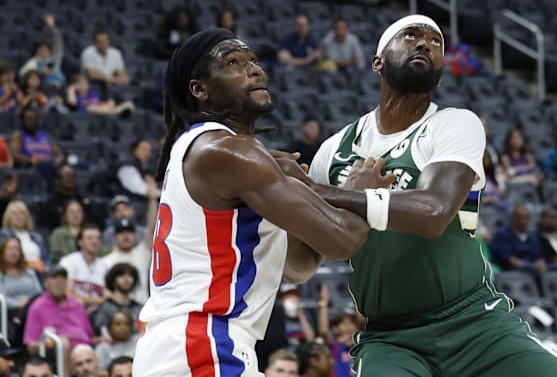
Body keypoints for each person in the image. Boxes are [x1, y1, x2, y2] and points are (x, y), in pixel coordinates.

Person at [306, 14, 557, 376]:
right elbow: (307, 255)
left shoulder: (453, 124)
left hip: (476, 324)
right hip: (391, 337)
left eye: (436, 42)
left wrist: (336, 196)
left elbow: (434, 212)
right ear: (378, 61)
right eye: (410, 36)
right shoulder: (333, 151)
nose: (425, 44)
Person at [132, 28, 376, 376]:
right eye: (233, 62)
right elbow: (344, 240)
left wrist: (296, 189)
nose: (254, 69)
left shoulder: (211, 151)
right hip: (204, 342)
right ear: (199, 89)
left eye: (254, 60)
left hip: (191, 344)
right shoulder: (226, 151)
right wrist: (358, 192)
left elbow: (298, 266)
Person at [23, 266, 93, 377]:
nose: (59, 282)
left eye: (62, 279)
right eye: (54, 278)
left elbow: (90, 336)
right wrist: (54, 342)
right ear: (45, 283)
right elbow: (31, 346)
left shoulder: (77, 305)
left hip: (84, 350)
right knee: (64, 344)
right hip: (57, 351)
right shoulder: (37, 307)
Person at [58, 223, 108, 311]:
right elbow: (68, 294)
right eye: (89, 238)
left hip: (97, 312)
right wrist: (97, 301)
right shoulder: (68, 261)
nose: (94, 241)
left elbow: (108, 296)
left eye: (98, 238)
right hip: (71, 310)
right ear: (80, 242)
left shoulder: (104, 265)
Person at [489, 204, 546, 273]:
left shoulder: (532, 236)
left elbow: (538, 256)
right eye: (519, 217)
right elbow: (509, 260)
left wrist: (541, 263)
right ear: (512, 218)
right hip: (510, 272)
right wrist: (531, 267)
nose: (522, 221)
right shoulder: (502, 235)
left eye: (525, 218)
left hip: (533, 271)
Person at [92, 262, 142, 336]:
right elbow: (101, 333)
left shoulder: (139, 308)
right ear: (113, 279)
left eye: (130, 275)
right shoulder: (104, 307)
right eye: (121, 275)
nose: (126, 279)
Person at [20, 14, 65, 88]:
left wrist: (51, 26)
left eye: (47, 49)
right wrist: (40, 73)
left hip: (61, 88)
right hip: (45, 89)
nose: (46, 51)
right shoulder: (34, 62)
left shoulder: (54, 59)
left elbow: (58, 41)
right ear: (37, 51)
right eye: (42, 50)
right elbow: (23, 74)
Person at [0, 200, 45, 271]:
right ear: (8, 217)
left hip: (39, 272)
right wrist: (29, 265)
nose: (18, 216)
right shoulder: (3, 235)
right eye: (14, 214)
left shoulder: (37, 237)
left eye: (22, 213)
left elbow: (46, 259)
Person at [0, 236, 42, 311]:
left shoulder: (29, 272)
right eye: (10, 249)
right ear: (3, 252)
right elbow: (1, 297)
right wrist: (17, 304)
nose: (13, 252)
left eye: (16, 249)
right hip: (9, 311)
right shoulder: (1, 274)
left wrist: (28, 301)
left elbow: (38, 292)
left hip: (32, 308)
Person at [65, 74, 134, 115]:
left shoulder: (93, 94)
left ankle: (117, 112)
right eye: (80, 84)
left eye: (85, 83)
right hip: (87, 115)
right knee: (91, 108)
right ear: (75, 85)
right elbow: (72, 102)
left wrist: (109, 104)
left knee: (129, 103)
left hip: (102, 111)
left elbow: (100, 103)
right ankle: (117, 112)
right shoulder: (77, 96)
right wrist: (71, 89)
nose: (84, 85)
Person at [48, 199, 84, 264]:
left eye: (78, 211)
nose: (75, 215)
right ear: (65, 215)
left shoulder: (88, 233)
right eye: (71, 212)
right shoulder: (57, 234)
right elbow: (55, 256)